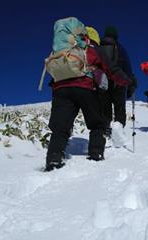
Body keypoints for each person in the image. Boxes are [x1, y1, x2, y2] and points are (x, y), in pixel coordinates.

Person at [44, 19, 131, 171]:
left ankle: (54, 158)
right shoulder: (92, 47)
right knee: (97, 124)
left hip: (61, 90)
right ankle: (96, 154)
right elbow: (111, 69)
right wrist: (126, 81)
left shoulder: (64, 48)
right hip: (85, 88)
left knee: (60, 127)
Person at [97, 26, 137, 133]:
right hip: (119, 83)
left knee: (105, 109)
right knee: (119, 108)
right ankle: (118, 133)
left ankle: (105, 130)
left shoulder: (99, 48)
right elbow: (127, 68)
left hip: (103, 83)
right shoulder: (121, 49)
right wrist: (130, 83)